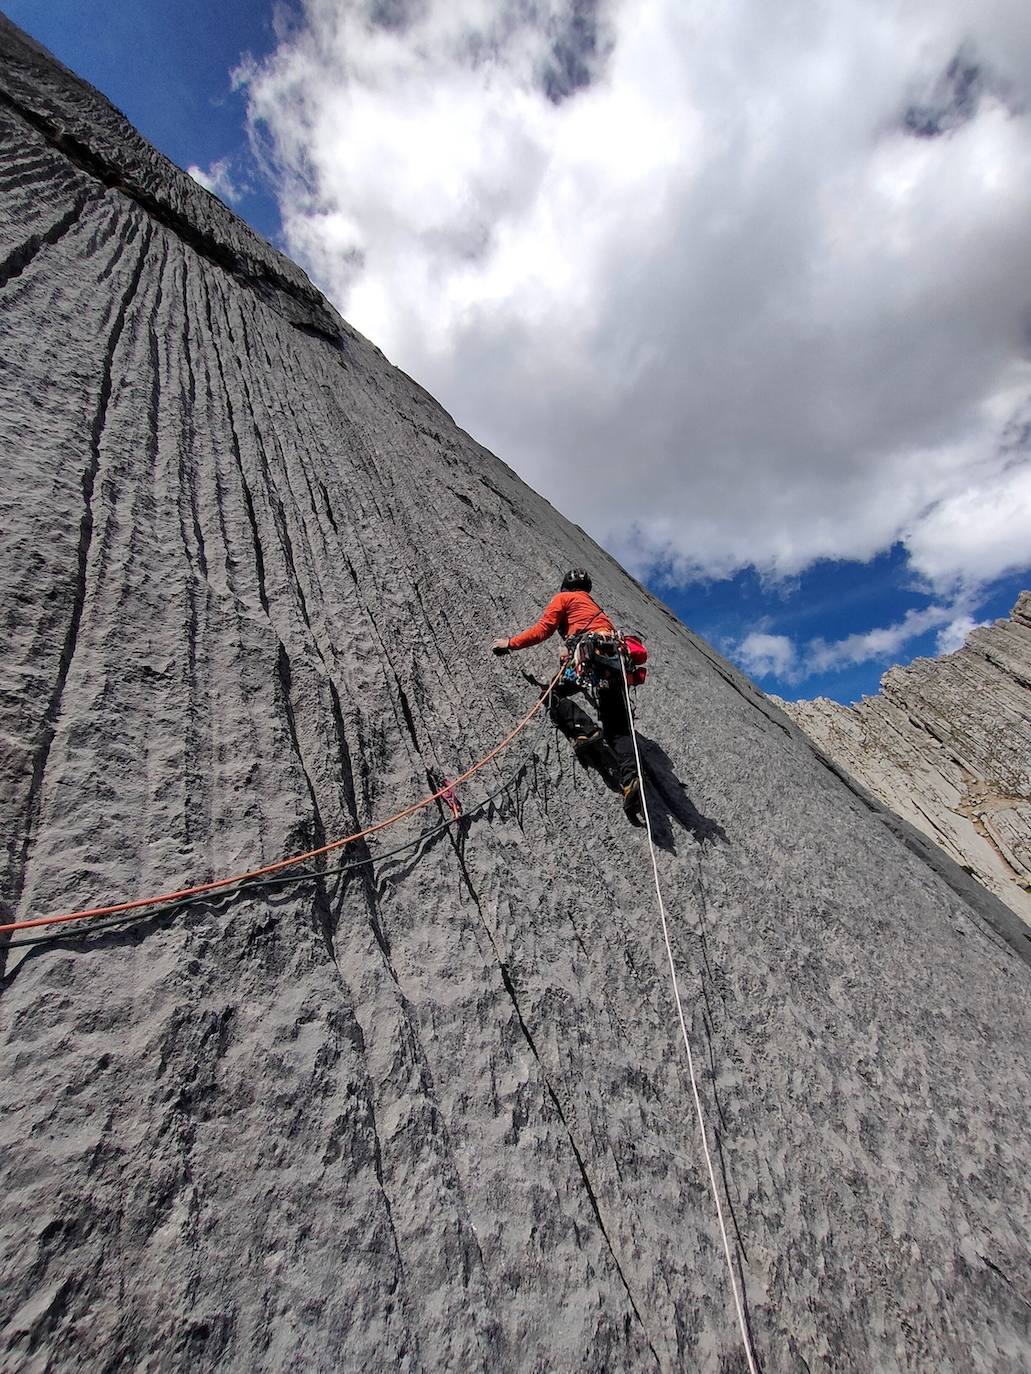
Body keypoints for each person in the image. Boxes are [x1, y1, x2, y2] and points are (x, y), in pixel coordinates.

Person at [492, 569, 643, 822]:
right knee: (618, 728)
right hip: (616, 664)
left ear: (565, 586)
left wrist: (510, 643)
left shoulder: (564, 599)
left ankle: (585, 730)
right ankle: (630, 779)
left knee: (552, 693)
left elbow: (543, 629)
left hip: (589, 658)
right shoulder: (597, 610)